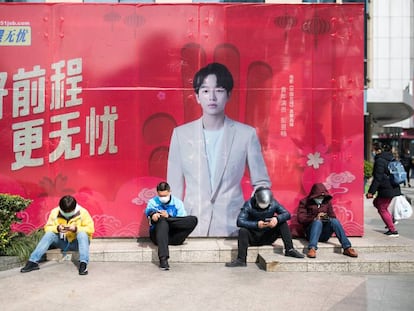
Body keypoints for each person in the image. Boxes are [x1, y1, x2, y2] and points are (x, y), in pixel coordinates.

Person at [167, 62, 271, 237]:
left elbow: (261, 182)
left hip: (233, 225)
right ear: (197, 96)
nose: (212, 97)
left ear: (229, 94)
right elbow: (174, 187)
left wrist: (257, 211)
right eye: (206, 91)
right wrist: (174, 225)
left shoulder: (246, 134)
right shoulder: (181, 135)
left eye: (219, 90)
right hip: (193, 225)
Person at [225, 187, 304, 267]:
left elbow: (287, 214)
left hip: (268, 235)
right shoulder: (249, 204)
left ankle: (290, 249)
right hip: (254, 237)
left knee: (282, 223)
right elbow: (240, 221)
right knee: (243, 230)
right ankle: (241, 260)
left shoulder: (273, 203)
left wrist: (276, 219)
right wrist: (256, 224)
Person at [20, 195, 95, 275]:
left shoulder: (83, 212)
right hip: (63, 242)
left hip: (77, 243)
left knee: (82, 234)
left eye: (69, 212)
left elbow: (91, 229)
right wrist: (57, 228)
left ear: (74, 208)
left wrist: (76, 229)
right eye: (64, 212)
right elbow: (47, 228)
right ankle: (32, 262)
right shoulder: (55, 212)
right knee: (49, 234)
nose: (67, 214)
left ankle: (83, 264)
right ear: (60, 208)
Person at [145, 181, 198, 270]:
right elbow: (149, 211)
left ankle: (167, 219)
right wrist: (153, 214)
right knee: (162, 221)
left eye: (165, 195)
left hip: (175, 236)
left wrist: (169, 217)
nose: (163, 198)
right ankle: (163, 260)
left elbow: (182, 222)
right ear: (157, 193)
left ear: (170, 192)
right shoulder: (153, 202)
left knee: (193, 219)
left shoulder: (178, 203)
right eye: (160, 196)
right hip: (158, 237)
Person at [297, 183, 358, 258]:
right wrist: (315, 217)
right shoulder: (304, 202)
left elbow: (332, 216)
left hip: (324, 234)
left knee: (334, 221)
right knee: (317, 221)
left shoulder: (327, 201)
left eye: (322, 196)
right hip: (311, 233)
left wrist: (325, 217)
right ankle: (312, 248)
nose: (321, 198)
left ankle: (347, 247)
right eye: (319, 196)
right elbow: (301, 219)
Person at [366, 142, 401, 236]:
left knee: (382, 208)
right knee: (376, 203)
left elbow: (378, 178)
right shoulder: (389, 158)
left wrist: (371, 192)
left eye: (373, 149)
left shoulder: (380, 160)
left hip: (387, 188)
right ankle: (390, 219)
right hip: (392, 187)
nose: (372, 151)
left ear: (378, 150)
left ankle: (393, 230)